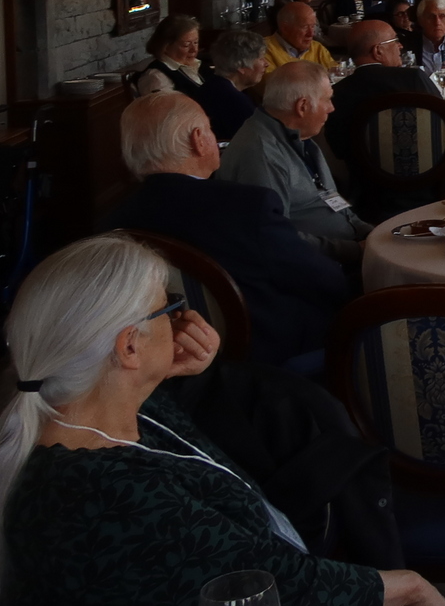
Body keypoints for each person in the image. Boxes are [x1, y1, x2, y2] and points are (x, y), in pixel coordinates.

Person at [0, 233, 445, 606]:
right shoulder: (106, 497)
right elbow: (276, 590)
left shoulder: (91, 414)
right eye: (167, 308)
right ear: (128, 346)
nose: (182, 318)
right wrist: (406, 586)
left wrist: (160, 374)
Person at [106, 93, 350, 366]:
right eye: (210, 129)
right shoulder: (247, 207)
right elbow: (320, 279)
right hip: (270, 359)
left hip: (170, 362)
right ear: (198, 139)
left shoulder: (114, 225)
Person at [219, 62, 371, 265]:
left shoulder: (301, 138)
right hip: (319, 265)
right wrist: (355, 251)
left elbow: (331, 199)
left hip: (348, 247)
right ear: (302, 106)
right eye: (327, 99)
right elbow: (275, 238)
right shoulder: (262, 155)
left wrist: (370, 234)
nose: (331, 108)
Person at [325, 20, 445, 218]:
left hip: (369, 199)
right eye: (394, 40)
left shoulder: (338, 93)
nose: (400, 46)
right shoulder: (415, 79)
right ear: (378, 51)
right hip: (430, 193)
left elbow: (338, 150)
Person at [195, 28, 266, 142]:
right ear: (241, 66)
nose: (266, 64)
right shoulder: (232, 100)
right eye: (261, 59)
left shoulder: (214, 85)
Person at [131, 14, 205, 99]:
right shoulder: (157, 78)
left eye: (196, 42)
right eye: (186, 45)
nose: (194, 49)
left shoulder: (196, 65)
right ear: (166, 46)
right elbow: (166, 107)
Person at [262, 1, 337, 79]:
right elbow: (270, 84)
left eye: (312, 26)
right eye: (305, 27)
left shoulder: (317, 48)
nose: (311, 34)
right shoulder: (263, 50)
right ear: (285, 29)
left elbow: (337, 73)